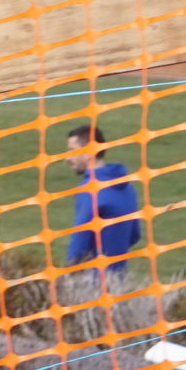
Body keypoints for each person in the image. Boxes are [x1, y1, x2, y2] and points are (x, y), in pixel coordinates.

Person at [62, 125, 144, 293]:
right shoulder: (128, 188)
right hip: (119, 284)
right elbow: (134, 235)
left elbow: (79, 245)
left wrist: (66, 276)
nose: (67, 158)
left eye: (72, 151)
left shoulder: (90, 189)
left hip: (91, 287)